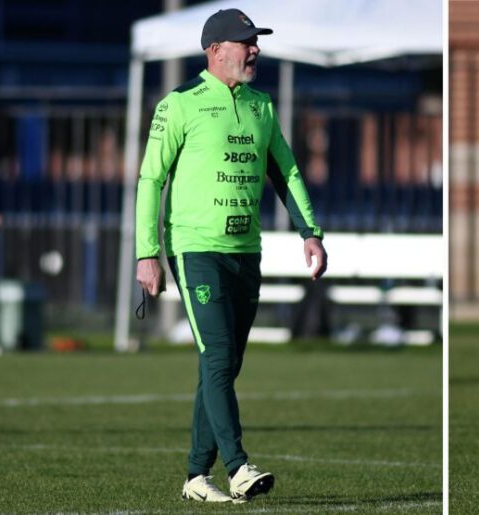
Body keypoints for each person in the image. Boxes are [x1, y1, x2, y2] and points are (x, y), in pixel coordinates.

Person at [134, 9, 327, 504]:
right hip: (195, 250)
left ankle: (197, 477)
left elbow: (285, 171)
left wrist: (310, 232)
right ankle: (239, 468)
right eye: (246, 42)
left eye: (255, 42)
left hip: (247, 253)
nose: (255, 50)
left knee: (221, 365)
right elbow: (150, 180)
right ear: (215, 51)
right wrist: (147, 253)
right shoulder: (179, 105)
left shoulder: (262, 106)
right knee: (218, 356)